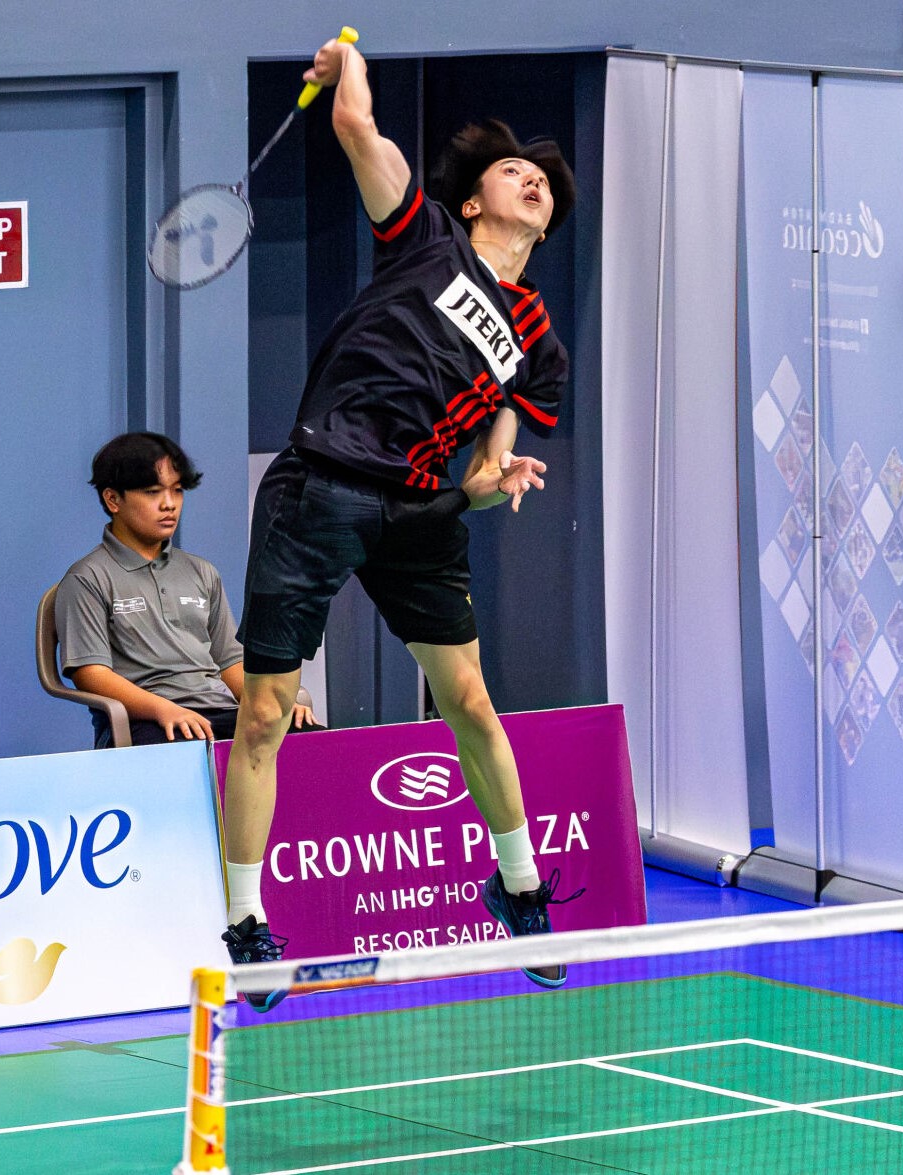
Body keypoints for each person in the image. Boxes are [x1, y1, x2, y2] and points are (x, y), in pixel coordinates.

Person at [220, 33, 580, 1011]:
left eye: (543, 179)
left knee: (468, 701)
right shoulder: (427, 238)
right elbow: (354, 127)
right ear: (475, 201)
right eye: (513, 171)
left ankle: (519, 890)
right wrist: (349, 63)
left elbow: (479, 469)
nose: (531, 180)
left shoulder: (538, 344)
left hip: (420, 510)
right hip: (321, 484)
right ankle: (248, 927)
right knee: (263, 710)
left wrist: (497, 483)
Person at [55, 432, 319, 748]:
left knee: (323, 746)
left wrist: (273, 705)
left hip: (222, 712)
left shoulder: (201, 571)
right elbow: (90, 673)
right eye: (153, 492)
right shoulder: (87, 577)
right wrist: (163, 708)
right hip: (147, 721)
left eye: (177, 491)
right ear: (113, 499)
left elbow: (229, 661)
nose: (169, 505)